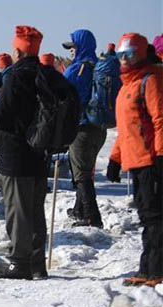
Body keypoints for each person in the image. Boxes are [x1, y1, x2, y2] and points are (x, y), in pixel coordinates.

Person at [0, 25, 50, 280]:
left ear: (18, 51)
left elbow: (2, 115)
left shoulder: (15, 76)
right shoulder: (45, 74)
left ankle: (19, 263)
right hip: (39, 150)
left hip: (16, 151)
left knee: (17, 210)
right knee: (35, 210)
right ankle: (37, 263)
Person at [106, 33, 163, 287]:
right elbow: (125, 128)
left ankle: (155, 270)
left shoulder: (149, 81)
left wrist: (161, 155)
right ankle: (148, 267)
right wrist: (115, 159)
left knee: (155, 217)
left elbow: (160, 120)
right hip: (135, 161)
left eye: (130, 54)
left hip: (150, 160)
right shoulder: (127, 85)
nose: (124, 59)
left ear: (141, 54)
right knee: (147, 216)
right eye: (121, 55)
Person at [63, 29, 106, 228]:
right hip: (100, 127)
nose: (71, 51)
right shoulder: (99, 67)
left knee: (81, 174)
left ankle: (91, 217)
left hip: (82, 128)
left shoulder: (76, 69)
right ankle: (79, 209)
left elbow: (63, 96)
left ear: (80, 46)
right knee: (85, 170)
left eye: (72, 46)